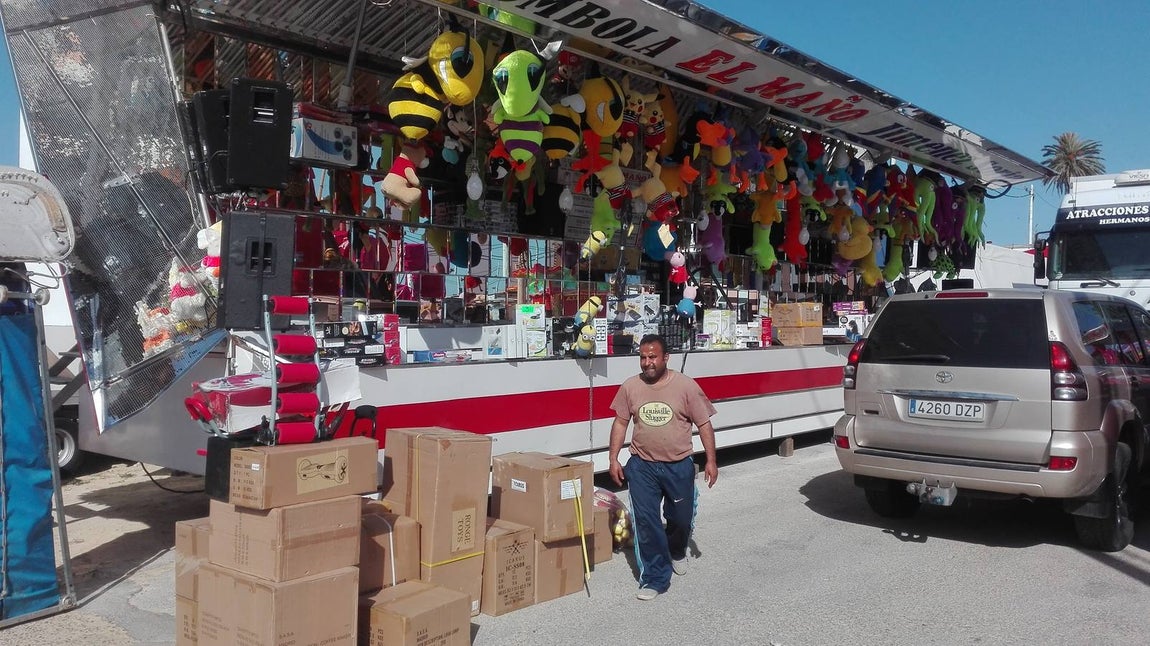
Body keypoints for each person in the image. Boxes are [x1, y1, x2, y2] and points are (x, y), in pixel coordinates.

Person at [609, 333, 718, 601]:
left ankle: (676, 549)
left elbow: (704, 424)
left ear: (666, 357)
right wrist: (613, 458)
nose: (647, 362)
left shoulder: (686, 386)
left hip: (678, 465)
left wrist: (711, 461)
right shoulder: (630, 387)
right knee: (646, 522)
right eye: (643, 357)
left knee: (680, 518)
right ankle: (655, 577)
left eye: (652, 357)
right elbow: (621, 422)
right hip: (642, 466)